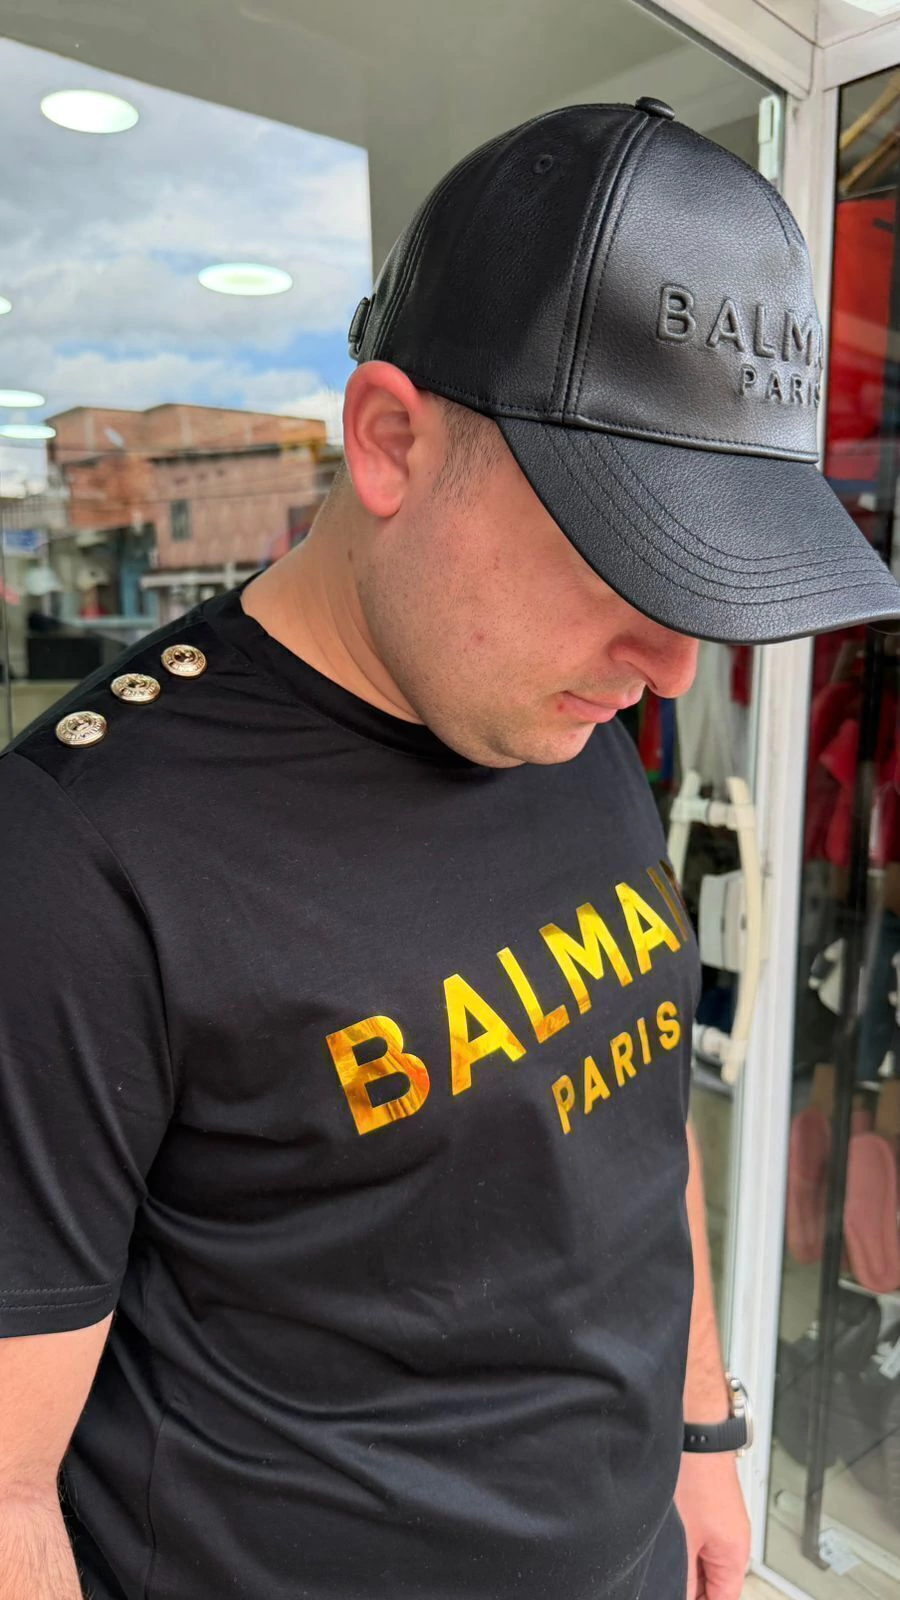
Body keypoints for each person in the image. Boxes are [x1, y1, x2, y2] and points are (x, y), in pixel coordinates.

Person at [1, 99, 898, 1600]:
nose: (673, 666)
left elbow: (629, 1096)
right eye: (625, 553)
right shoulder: (77, 856)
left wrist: (701, 1432)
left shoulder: (560, 715)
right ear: (390, 442)